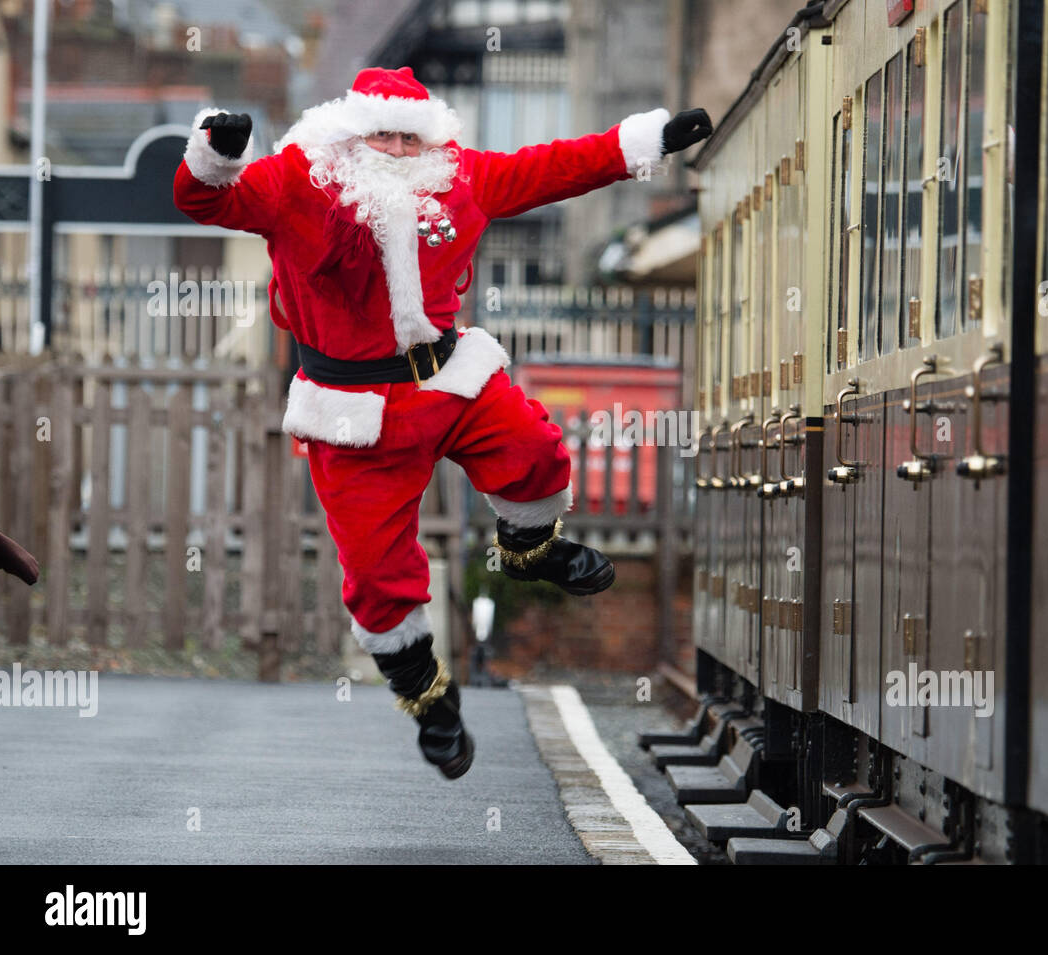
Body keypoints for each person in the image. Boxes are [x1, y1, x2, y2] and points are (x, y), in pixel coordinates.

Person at [173, 66, 713, 779]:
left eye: (408, 136)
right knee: (376, 576)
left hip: (448, 381)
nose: (396, 149)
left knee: (535, 450)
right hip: (354, 413)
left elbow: (551, 168)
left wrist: (642, 142)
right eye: (381, 135)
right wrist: (217, 151)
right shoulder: (300, 176)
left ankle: (531, 546)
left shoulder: (457, 178)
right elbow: (212, 203)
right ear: (351, 132)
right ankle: (430, 702)